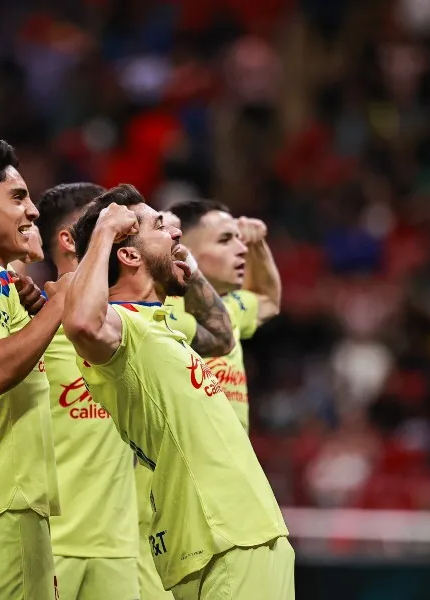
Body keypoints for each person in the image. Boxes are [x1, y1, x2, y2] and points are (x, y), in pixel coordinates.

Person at [64, 185, 293, 600]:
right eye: (157, 226)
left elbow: (224, 335)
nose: (174, 234)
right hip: (220, 536)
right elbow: (81, 323)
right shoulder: (122, 325)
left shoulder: (162, 325)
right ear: (129, 255)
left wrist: (192, 272)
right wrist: (103, 231)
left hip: (247, 532)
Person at [35, 182, 235, 600]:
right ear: (70, 239)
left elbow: (219, 337)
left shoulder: (143, 322)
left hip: (129, 546)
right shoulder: (32, 322)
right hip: (48, 540)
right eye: (103, 224)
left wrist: (190, 269)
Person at [0, 139, 68, 600]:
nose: (33, 211)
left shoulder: (4, 284)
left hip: (8, 505)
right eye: (18, 197)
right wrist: (57, 308)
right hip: (1, 505)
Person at [165, 200, 282, 430]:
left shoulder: (229, 309)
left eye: (239, 239)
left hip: (229, 464)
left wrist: (257, 244)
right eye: (225, 240)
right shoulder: (159, 312)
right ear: (182, 250)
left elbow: (268, 300)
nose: (242, 249)